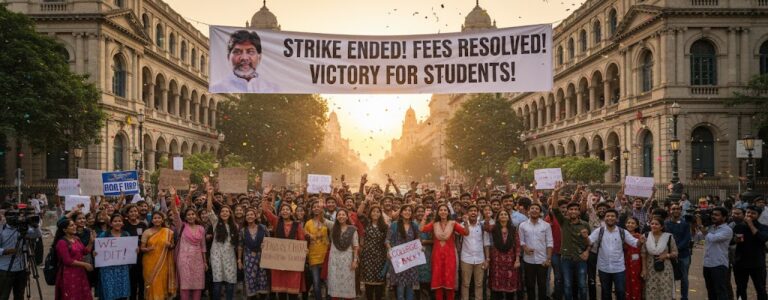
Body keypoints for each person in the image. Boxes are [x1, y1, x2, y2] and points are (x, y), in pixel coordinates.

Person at [588, 209, 641, 300]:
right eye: (608, 216)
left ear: (616, 219)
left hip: (619, 268)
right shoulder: (599, 231)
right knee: (605, 292)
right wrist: (585, 237)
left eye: (612, 216)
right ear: (604, 218)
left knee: (620, 292)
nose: (610, 218)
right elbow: (589, 241)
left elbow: (635, 243)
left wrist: (641, 241)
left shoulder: (622, 232)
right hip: (603, 268)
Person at [550, 186, 591, 300]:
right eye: (571, 209)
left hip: (580, 259)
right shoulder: (563, 222)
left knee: (582, 286)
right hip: (566, 259)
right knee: (567, 286)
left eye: (575, 209)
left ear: (579, 212)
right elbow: (555, 209)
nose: (573, 211)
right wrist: (556, 192)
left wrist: (587, 251)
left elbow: (590, 242)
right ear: (567, 212)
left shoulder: (585, 224)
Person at [420, 204, 467, 300]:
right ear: (438, 212)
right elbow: (422, 229)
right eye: (441, 210)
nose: (443, 212)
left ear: (448, 212)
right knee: (438, 281)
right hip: (437, 255)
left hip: (450, 256)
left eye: (445, 210)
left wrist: (466, 222)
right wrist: (425, 216)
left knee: (449, 280)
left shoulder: (453, 223)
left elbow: (465, 233)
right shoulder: (434, 223)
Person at [210, 30, 279, 93]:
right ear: (228, 57)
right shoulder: (217, 88)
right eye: (237, 52)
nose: (244, 58)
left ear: (259, 57)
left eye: (251, 52)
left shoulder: (273, 89)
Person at [263, 201, 306, 300]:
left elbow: (302, 240)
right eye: (283, 209)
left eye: (287, 209)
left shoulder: (297, 225)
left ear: (291, 212)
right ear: (280, 212)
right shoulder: (276, 221)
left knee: (292, 292)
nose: (285, 211)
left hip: (293, 262)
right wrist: (265, 195)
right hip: (279, 262)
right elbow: (265, 211)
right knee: (281, 292)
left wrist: (304, 250)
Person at [0, 207, 43, 300]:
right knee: (3, 296)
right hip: (5, 269)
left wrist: (35, 226)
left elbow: (37, 235)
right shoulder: (1, 230)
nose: (15, 217)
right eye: (12, 215)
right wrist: (6, 251)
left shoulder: (22, 229)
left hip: (21, 269)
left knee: (20, 296)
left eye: (17, 215)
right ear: (6, 217)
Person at [171, 197, 208, 300]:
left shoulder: (201, 228)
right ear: (185, 217)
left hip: (198, 260)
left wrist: (205, 262)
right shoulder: (181, 226)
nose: (191, 216)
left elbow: (203, 246)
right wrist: (173, 196)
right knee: (185, 285)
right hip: (184, 260)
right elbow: (175, 212)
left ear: (196, 216)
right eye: (188, 215)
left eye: (193, 214)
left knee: (197, 284)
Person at [206, 186, 239, 300]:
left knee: (230, 283)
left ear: (230, 213)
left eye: (227, 211)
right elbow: (209, 210)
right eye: (222, 211)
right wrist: (210, 195)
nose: (225, 213)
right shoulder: (216, 223)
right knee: (217, 283)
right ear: (219, 214)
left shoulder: (235, 226)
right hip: (216, 257)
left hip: (230, 257)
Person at [732, 205, 768, 300]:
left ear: (758, 215)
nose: (749, 215)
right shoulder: (739, 227)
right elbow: (731, 241)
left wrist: (751, 225)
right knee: (740, 288)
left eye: (753, 213)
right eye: (748, 212)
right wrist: (735, 240)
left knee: (760, 288)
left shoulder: (763, 227)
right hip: (740, 263)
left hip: (757, 263)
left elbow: (762, 238)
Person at [518, 203, 553, 300]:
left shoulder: (546, 225)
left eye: (537, 209)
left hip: (542, 260)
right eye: (532, 208)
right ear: (528, 211)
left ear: (540, 212)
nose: (534, 210)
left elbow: (549, 242)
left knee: (542, 285)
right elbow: (521, 240)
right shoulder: (523, 225)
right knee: (530, 285)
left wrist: (548, 259)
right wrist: (525, 248)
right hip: (528, 260)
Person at [54, 218, 94, 300]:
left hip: (80, 273)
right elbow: (67, 261)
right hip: (69, 275)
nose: (74, 227)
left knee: (83, 295)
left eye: (74, 225)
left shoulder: (76, 239)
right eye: (71, 225)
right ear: (65, 230)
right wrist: (85, 264)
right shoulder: (62, 242)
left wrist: (91, 242)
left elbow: (85, 251)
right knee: (72, 296)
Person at [698, 207, 733, 300]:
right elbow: (699, 237)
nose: (713, 217)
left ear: (724, 217)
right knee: (710, 291)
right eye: (712, 214)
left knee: (720, 291)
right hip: (707, 263)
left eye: (717, 215)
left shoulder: (727, 230)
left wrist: (702, 228)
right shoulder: (710, 227)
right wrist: (695, 225)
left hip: (719, 264)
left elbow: (713, 238)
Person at [388, 205, 421, 300]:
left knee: (410, 287)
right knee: (400, 287)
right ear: (401, 213)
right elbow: (387, 240)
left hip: (411, 260)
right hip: (399, 260)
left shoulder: (414, 225)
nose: (407, 212)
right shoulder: (394, 225)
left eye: (409, 210)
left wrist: (420, 247)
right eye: (405, 210)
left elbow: (418, 239)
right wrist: (390, 250)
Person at [140, 212, 176, 300]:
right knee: (151, 283)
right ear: (151, 220)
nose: (157, 220)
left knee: (161, 282)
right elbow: (142, 248)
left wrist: (170, 245)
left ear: (162, 219)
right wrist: (148, 249)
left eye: (159, 218)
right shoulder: (147, 232)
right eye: (155, 218)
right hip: (149, 262)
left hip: (163, 262)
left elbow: (172, 246)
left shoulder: (168, 232)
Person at [95, 214, 131, 300]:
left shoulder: (126, 235)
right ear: (111, 224)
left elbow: (129, 250)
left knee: (122, 292)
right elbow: (98, 251)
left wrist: (135, 251)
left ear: (122, 223)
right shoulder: (104, 235)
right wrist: (95, 253)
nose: (117, 223)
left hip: (122, 269)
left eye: (119, 221)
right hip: (108, 270)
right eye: (115, 221)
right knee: (109, 291)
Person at [488, 210, 521, 300]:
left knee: (510, 286)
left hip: (510, 261)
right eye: (501, 214)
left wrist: (517, 260)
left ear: (508, 217)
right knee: (497, 286)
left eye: (505, 214)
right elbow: (486, 227)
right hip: (497, 261)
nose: (503, 215)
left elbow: (517, 245)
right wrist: (488, 217)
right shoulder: (494, 228)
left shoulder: (513, 229)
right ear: (498, 217)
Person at [640, 218, 677, 300]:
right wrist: (644, 269)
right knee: (651, 291)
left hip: (665, 269)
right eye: (652, 223)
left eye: (656, 224)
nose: (654, 226)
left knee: (665, 290)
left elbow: (675, 253)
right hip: (650, 268)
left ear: (662, 226)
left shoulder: (668, 237)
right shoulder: (645, 236)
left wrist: (666, 255)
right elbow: (643, 254)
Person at [327, 209, 360, 300]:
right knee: (334, 283)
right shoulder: (333, 228)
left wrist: (355, 261)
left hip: (347, 260)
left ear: (347, 217)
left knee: (347, 283)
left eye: (343, 214)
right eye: (339, 215)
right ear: (336, 217)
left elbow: (356, 246)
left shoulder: (352, 229)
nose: (341, 216)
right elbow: (322, 219)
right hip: (334, 260)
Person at [238, 208, 270, 299]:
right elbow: (240, 246)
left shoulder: (263, 228)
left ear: (255, 216)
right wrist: (239, 260)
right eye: (247, 215)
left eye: (251, 214)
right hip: (249, 258)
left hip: (262, 257)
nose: (249, 216)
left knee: (262, 279)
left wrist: (266, 244)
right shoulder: (243, 231)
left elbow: (270, 241)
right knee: (250, 279)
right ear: (245, 218)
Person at [360, 205, 388, 300]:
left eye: (377, 212)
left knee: (379, 282)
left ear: (381, 214)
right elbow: (359, 214)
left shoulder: (385, 226)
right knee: (368, 283)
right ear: (370, 213)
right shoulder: (365, 223)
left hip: (380, 257)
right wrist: (366, 201)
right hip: (367, 256)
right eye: (373, 211)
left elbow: (387, 241)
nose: (375, 213)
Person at [304, 200, 332, 300]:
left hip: (326, 255)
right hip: (313, 256)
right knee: (316, 283)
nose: (316, 208)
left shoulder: (326, 222)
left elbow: (333, 233)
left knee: (328, 282)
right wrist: (307, 235)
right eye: (314, 207)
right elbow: (304, 238)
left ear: (321, 209)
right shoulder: (308, 223)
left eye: (318, 207)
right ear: (311, 209)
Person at [664, 202, 691, 300]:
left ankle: (684, 297)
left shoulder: (685, 224)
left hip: (683, 255)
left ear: (680, 210)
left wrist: (676, 250)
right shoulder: (666, 223)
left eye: (677, 209)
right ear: (670, 211)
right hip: (669, 254)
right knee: (669, 276)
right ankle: (671, 296)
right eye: (673, 209)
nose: (675, 210)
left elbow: (687, 238)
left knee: (684, 277)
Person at [623, 217, 643, 300]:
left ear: (637, 225)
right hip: (624, 263)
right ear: (625, 224)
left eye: (632, 223)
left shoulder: (640, 237)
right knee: (625, 284)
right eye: (628, 222)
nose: (630, 224)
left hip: (637, 264)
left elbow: (643, 252)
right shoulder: (622, 236)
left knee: (636, 284)